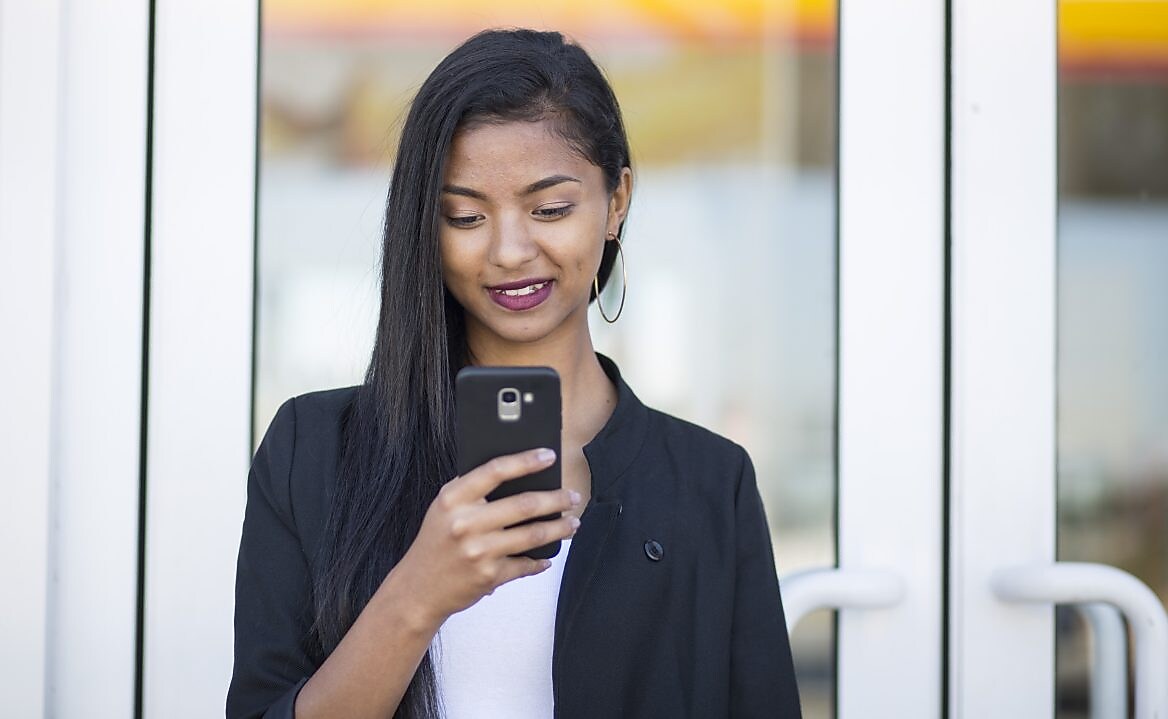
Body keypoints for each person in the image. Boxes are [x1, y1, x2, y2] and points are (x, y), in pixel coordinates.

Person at [227, 28, 801, 719]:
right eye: (465, 215)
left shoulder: (710, 483)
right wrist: (419, 591)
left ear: (616, 201)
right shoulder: (311, 448)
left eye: (550, 208)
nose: (508, 250)